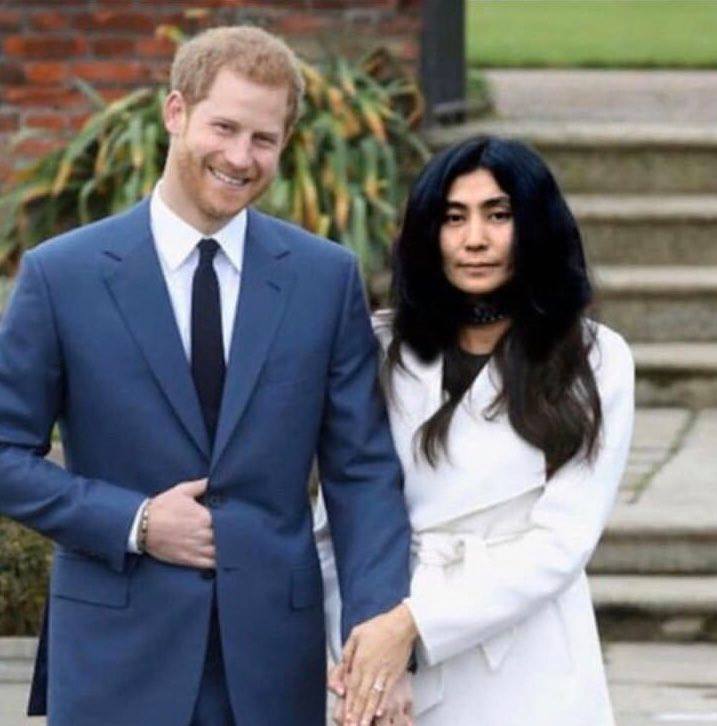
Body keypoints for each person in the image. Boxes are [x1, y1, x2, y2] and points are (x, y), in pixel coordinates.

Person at [0, 26, 413, 726]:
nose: (240, 157)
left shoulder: (325, 279)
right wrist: (134, 522)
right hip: (113, 659)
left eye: (263, 139)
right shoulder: (61, 275)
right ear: (176, 112)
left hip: (271, 666)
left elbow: (363, 474)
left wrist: (376, 639)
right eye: (223, 128)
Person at [317, 136, 635, 725]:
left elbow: (562, 541)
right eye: (454, 218)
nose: (475, 240)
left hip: (527, 657)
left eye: (499, 215)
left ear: (535, 225)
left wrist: (413, 625)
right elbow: (339, 522)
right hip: (385, 645)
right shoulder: (378, 346)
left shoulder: (594, 358)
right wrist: (369, 656)